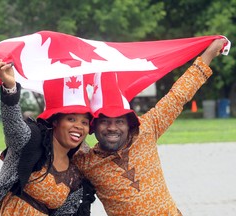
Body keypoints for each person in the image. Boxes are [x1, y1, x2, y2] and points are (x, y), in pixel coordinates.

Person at [73, 38, 228, 215]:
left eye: (119, 121)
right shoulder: (86, 162)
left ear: (129, 124)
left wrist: (208, 54)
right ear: (94, 126)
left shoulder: (146, 130)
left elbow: (178, 96)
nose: (112, 127)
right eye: (105, 121)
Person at [0, 59, 95, 216]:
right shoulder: (31, 140)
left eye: (84, 122)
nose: (79, 126)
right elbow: (13, 124)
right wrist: (10, 88)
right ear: (55, 121)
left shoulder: (77, 168)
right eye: (71, 119)